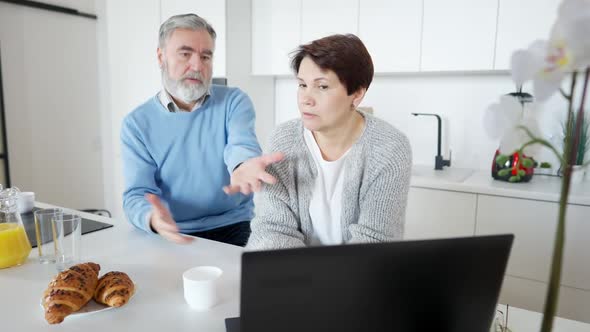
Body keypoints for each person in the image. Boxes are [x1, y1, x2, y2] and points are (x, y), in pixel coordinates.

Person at [121, 14, 282, 246]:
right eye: (185, 54)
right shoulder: (136, 124)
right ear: (161, 56)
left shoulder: (234, 101)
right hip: (172, 229)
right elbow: (136, 193)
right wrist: (152, 218)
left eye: (206, 56)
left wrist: (243, 165)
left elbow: (241, 144)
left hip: (234, 224)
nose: (197, 66)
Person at [245, 34, 412, 250]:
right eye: (302, 85)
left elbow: (375, 239)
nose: (306, 98)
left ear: (357, 94)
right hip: (293, 275)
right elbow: (272, 228)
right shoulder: (282, 141)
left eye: (322, 87)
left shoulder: (389, 148)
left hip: (356, 277)